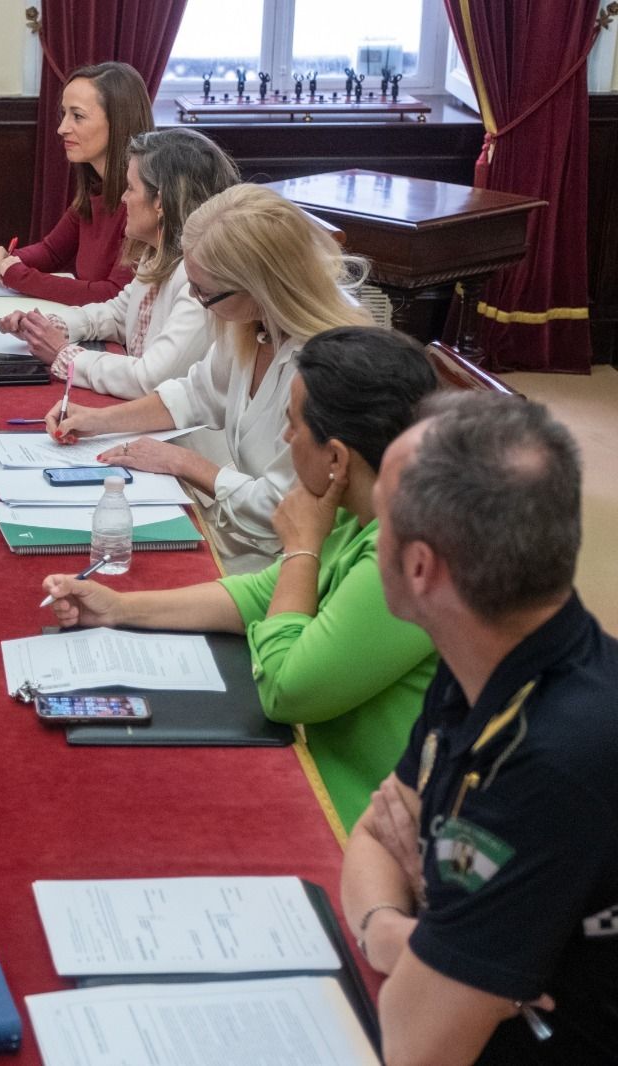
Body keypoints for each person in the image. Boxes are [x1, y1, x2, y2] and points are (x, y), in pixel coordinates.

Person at [43, 326, 438, 829]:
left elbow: (286, 691)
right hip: (313, 763)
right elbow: (257, 594)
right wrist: (121, 608)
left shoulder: (407, 558)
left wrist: (300, 548)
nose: (285, 438)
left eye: (293, 425)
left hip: (350, 813)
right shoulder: (357, 507)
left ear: (337, 458)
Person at [342, 394, 618, 1065]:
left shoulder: (557, 756)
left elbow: (414, 1046)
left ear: (419, 568)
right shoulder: (494, 652)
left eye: (380, 520)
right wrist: (392, 929)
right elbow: (374, 837)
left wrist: (432, 902)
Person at [44, 184, 371, 572]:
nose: (198, 302)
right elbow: (195, 393)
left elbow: (285, 508)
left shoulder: (328, 367)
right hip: (243, 533)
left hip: (290, 562)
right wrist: (99, 421)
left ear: (260, 289)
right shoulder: (255, 325)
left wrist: (184, 462)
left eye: (204, 292)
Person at [0, 127, 240, 398]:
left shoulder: (198, 278)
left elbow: (150, 379)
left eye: (130, 188)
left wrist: (64, 355)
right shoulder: (155, 254)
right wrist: (47, 327)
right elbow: (117, 315)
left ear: (160, 201)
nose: (123, 199)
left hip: (185, 437)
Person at [0, 61, 153, 305]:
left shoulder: (143, 201)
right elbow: (51, 252)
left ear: (118, 123)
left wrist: (18, 275)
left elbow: (112, 295)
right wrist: (5, 258)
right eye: (64, 114)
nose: (61, 128)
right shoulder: (95, 190)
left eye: (77, 116)